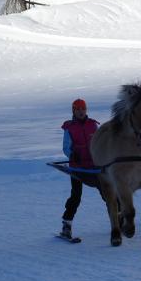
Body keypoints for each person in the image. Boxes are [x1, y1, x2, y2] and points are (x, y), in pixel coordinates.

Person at [60, 98, 99, 239]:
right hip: (77, 168)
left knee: (108, 192)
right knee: (76, 196)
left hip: (94, 167)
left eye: (83, 109)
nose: (81, 112)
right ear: (74, 111)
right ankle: (66, 224)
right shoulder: (69, 127)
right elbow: (66, 147)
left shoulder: (93, 125)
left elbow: (100, 143)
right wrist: (72, 154)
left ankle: (119, 219)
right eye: (78, 109)